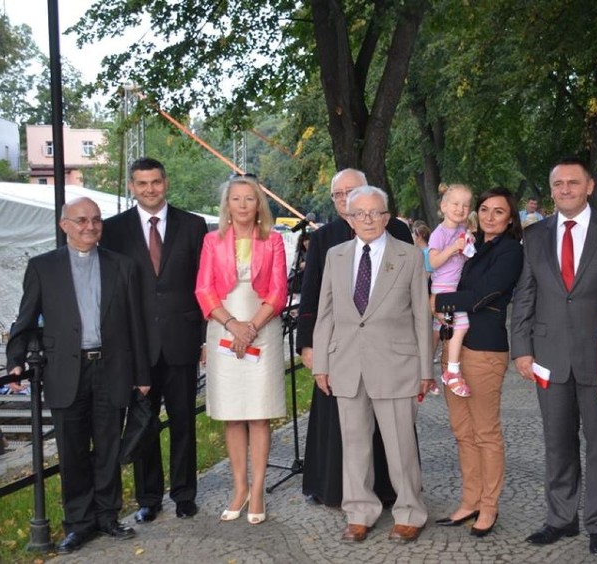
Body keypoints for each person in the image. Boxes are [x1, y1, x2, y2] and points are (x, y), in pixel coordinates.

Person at [6, 197, 149, 554]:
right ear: (64, 225)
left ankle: (107, 516)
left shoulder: (122, 266)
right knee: (71, 451)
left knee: (108, 447)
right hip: (66, 370)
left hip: (112, 367)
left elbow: (136, 324)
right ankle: (78, 524)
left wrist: (142, 373)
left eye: (96, 220)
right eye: (82, 220)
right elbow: (25, 319)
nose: (90, 226)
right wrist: (15, 361)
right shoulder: (43, 267)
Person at [511, 157, 597, 555]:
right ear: (550, 190)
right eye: (557, 184)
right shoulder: (534, 237)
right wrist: (522, 350)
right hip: (549, 357)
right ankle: (561, 519)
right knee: (557, 442)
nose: (564, 189)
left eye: (572, 182)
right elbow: (524, 297)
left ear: (589, 186)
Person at [311, 185, 433, 543]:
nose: (367, 219)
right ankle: (359, 511)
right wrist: (322, 363)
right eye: (358, 213)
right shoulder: (335, 256)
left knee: (400, 447)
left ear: (386, 215)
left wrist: (427, 370)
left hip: (396, 364)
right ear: (348, 218)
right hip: (347, 363)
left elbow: (421, 318)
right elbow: (326, 313)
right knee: (354, 444)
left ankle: (410, 511)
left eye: (374, 212)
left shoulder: (409, 256)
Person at [296, 168, 413, 507]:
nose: (346, 199)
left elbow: (411, 290)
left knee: (391, 425)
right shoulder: (323, 238)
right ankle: (335, 489)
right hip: (339, 347)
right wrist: (308, 345)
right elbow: (312, 295)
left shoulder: (397, 231)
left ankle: (392, 491)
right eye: (339, 194)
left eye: (353, 190)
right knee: (343, 424)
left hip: (388, 348)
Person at [100, 157, 207, 523]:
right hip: (137, 345)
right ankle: (148, 498)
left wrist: (205, 337)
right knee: (143, 423)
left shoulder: (193, 226)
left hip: (182, 338)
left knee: (183, 422)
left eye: (156, 182)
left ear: (166, 181)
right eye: (142, 183)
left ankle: (184, 494)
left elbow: (203, 286)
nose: (150, 189)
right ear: (132, 186)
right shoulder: (113, 231)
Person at [195, 175, 287, 525]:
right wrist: (234, 325)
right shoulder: (211, 241)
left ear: (259, 204)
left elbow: (278, 291)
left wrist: (250, 328)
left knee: (259, 413)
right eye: (237, 199)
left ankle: (259, 488)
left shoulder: (274, 241)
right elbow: (203, 289)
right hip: (224, 327)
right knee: (233, 413)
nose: (244, 205)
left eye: (250, 199)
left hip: (262, 328)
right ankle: (239, 487)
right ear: (227, 205)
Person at [433, 187, 524, 537]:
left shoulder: (510, 251)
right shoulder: (470, 244)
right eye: (484, 209)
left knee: (485, 433)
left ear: (510, 217)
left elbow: (483, 295)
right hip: (453, 348)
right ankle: (469, 500)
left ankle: (489, 505)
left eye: (498, 211)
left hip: (485, 349)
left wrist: (437, 302)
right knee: (462, 433)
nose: (489, 216)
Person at [429, 184, 475, 397]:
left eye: (466, 205)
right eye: (455, 204)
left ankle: (426, 373)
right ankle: (452, 371)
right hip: (444, 287)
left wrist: (467, 246)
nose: (460, 209)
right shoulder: (439, 232)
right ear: (444, 206)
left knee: (439, 330)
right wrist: (453, 248)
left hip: (454, 285)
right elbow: (434, 262)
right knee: (462, 324)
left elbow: (465, 259)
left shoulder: (462, 231)